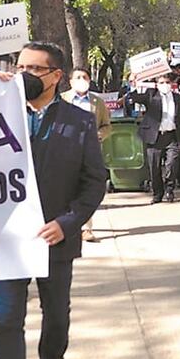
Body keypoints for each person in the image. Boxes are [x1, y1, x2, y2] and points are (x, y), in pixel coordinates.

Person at [0, 42, 107, 359]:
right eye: (20, 66)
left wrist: (68, 223)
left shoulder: (79, 121)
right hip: (6, 242)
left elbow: (93, 182)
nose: (24, 74)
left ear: (56, 76)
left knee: (57, 312)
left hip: (54, 239)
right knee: (7, 321)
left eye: (34, 68)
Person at [61, 69, 112, 242]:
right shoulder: (62, 99)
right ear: (70, 81)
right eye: (78, 77)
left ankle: (86, 228)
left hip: (89, 151)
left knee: (86, 188)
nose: (82, 80)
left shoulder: (97, 102)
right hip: (66, 150)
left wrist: (98, 135)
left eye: (85, 77)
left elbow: (106, 125)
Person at [124, 73, 180, 204]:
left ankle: (169, 188)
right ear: (157, 84)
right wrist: (133, 84)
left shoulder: (178, 99)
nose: (165, 85)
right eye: (162, 82)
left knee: (172, 164)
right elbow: (134, 98)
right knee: (154, 166)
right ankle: (158, 193)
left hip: (172, 136)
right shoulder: (151, 94)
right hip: (155, 136)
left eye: (167, 82)